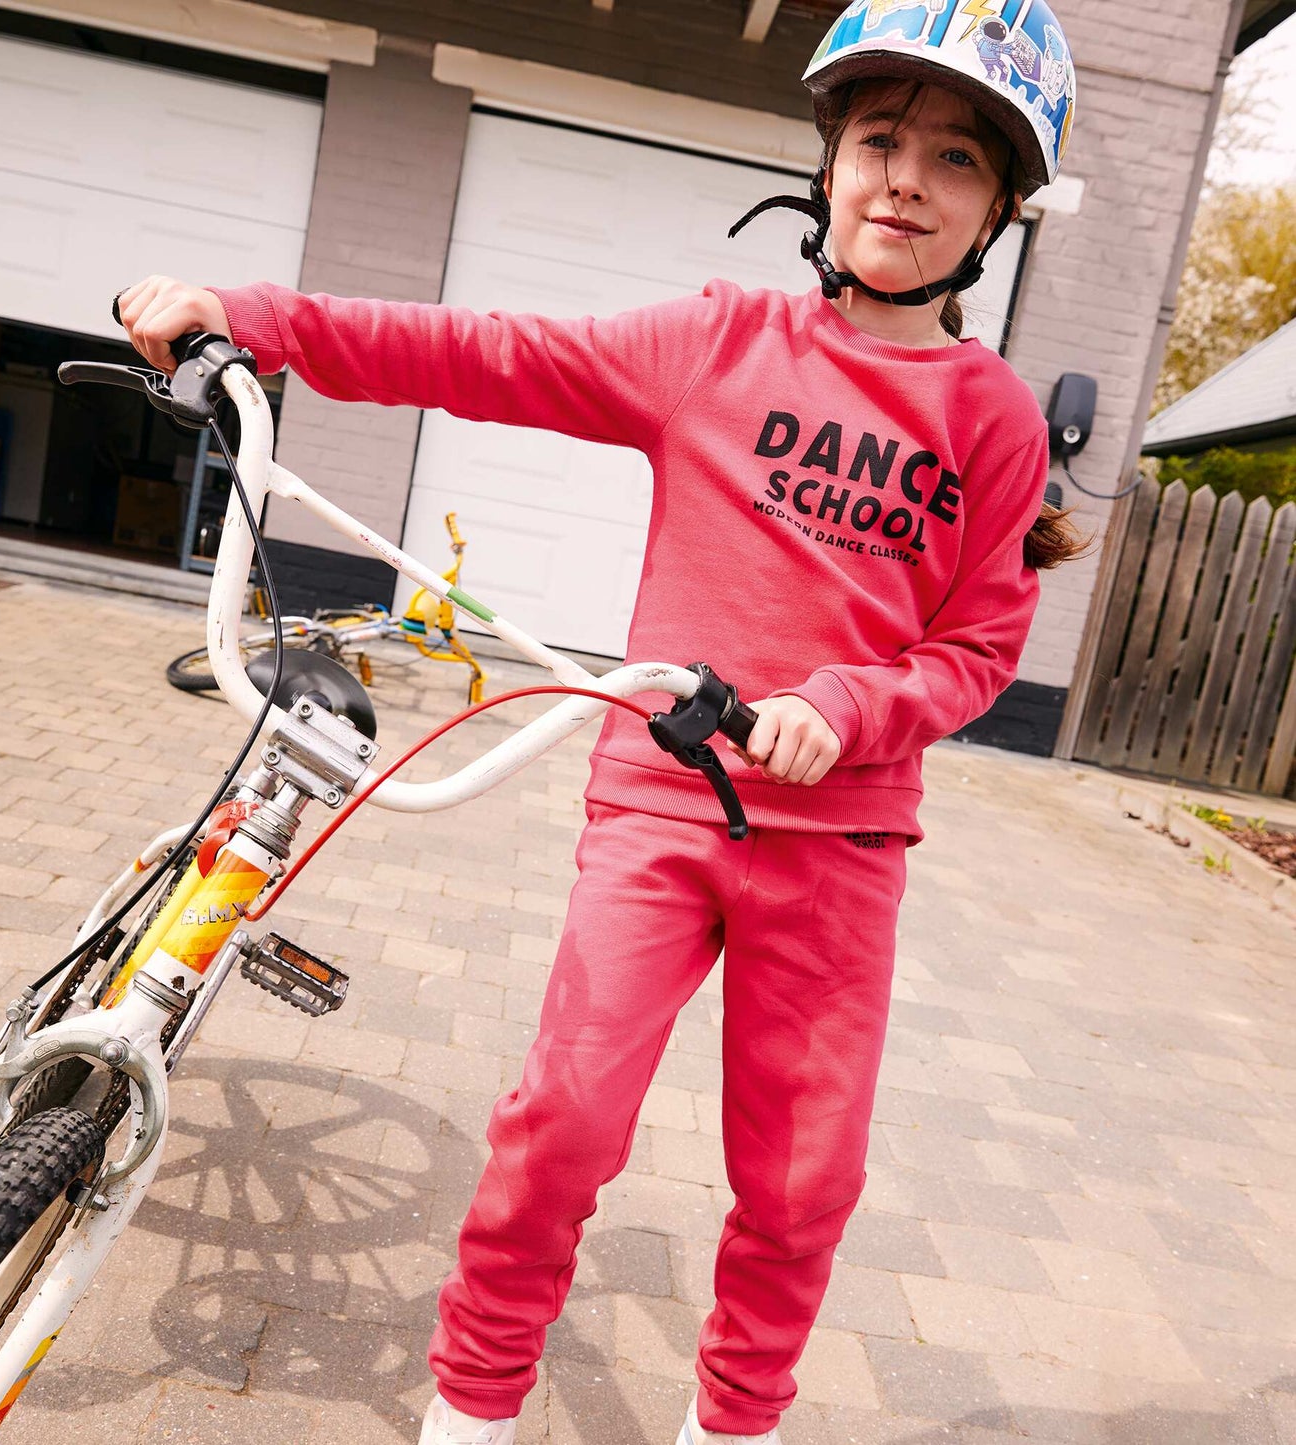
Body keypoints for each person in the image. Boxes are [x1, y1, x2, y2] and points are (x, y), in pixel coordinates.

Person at [119, 3, 1081, 1440]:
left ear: (999, 208)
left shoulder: (991, 419)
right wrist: (262, 322)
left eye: (953, 159)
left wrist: (845, 701)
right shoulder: (718, 342)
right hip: (661, 803)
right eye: (879, 140)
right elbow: (488, 353)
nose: (903, 180)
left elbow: (977, 648)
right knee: (561, 1122)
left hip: (841, 849)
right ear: (828, 161)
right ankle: (477, 1400)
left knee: (804, 1176)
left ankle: (735, 1420)